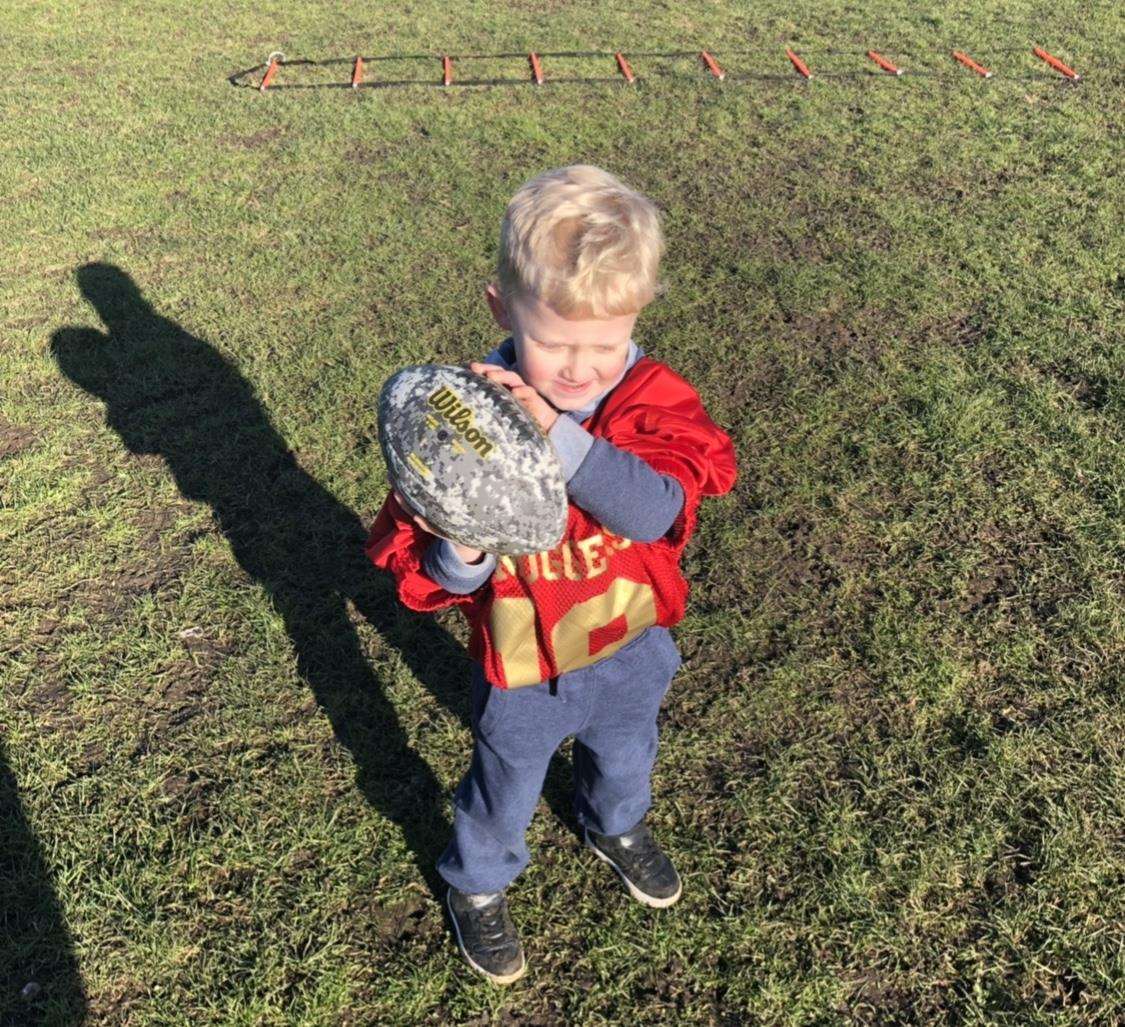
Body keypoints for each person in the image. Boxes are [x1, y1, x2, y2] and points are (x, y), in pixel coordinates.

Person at [365, 164, 737, 985]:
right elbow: (441, 585)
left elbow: (651, 510)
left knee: (626, 751)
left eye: (604, 345)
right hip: (524, 665)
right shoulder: (458, 423)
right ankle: (479, 881)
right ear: (501, 310)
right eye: (554, 342)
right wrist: (459, 544)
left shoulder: (648, 399)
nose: (576, 369)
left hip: (628, 639)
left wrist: (558, 435)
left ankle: (616, 824)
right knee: (504, 780)